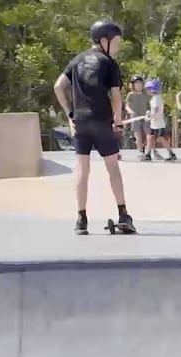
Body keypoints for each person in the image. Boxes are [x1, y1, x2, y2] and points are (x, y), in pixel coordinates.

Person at [52, 19, 133, 235]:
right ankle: (123, 214)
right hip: (101, 120)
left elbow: (59, 86)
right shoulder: (108, 63)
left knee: (82, 169)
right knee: (112, 166)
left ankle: (81, 219)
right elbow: (116, 96)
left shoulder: (77, 60)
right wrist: (117, 119)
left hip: (80, 122)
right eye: (116, 42)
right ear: (104, 40)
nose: (118, 46)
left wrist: (70, 114)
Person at [144, 79, 176, 162]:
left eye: (148, 89)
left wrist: (149, 116)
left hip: (158, 124)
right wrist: (149, 114)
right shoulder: (155, 98)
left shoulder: (156, 99)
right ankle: (147, 155)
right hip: (154, 123)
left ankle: (171, 153)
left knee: (161, 139)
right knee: (150, 138)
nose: (147, 91)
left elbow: (155, 110)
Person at [124, 75, 150, 159]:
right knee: (137, 134)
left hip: (145, 116)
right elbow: (126, 106)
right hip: (135, 117)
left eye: (140, 84)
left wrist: (149, 112)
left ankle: (149, 150)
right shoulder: (130, 95)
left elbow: (149, 105)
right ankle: (140, 150)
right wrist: (131, 111)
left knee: (148, 133)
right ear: (133, 85)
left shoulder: (145, 94)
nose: (138, 85)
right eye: (136, 84)